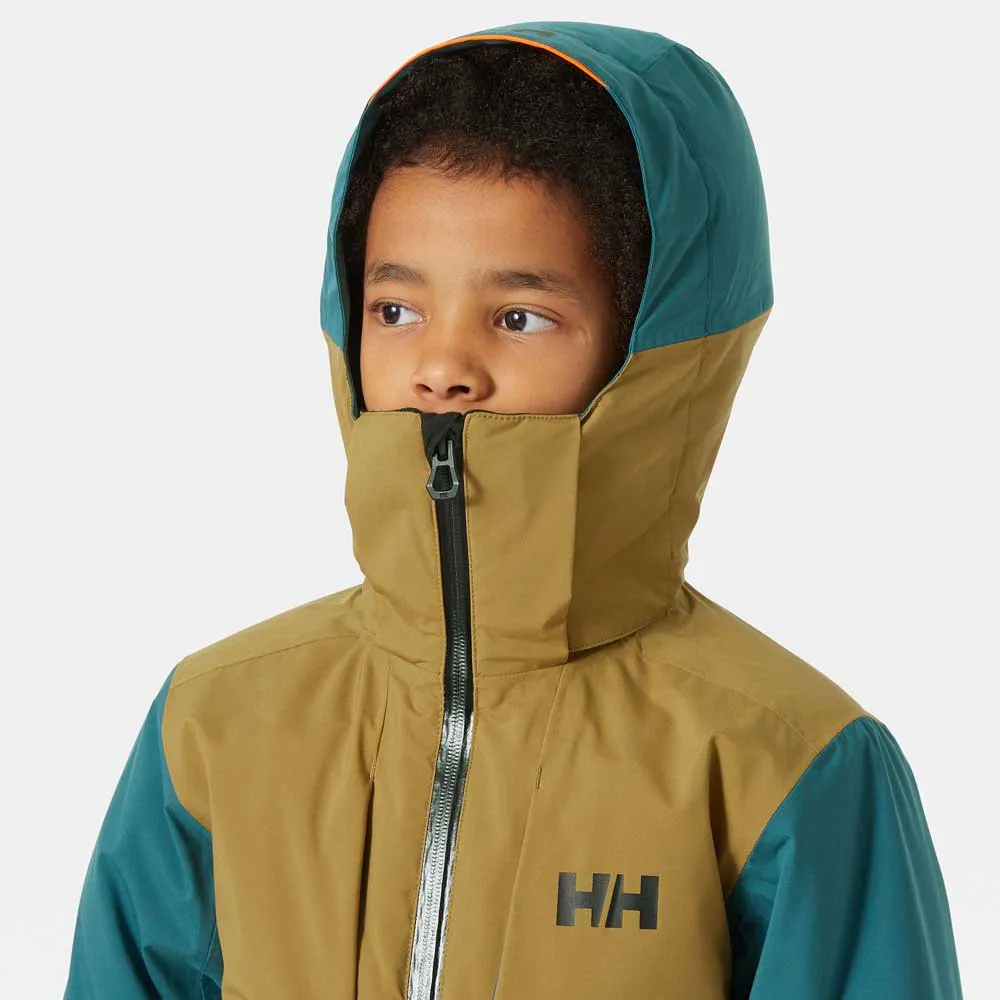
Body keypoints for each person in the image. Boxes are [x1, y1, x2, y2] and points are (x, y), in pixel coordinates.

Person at [63, 20, 964, 1000]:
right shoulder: (215, 724)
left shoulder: (783, 761)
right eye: (396, 309)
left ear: (658, 355)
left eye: (519, 316)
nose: (442, 366)